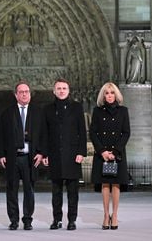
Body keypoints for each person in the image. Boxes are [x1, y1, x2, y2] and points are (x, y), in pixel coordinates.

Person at [42, 78, 87, 230]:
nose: (61, 91)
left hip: (73, 154)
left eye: (64, 88)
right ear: (54, 91)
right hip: (54, 155)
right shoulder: (47, 108)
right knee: (56, 192)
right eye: (59, 88)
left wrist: (81, 152)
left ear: (68, 91)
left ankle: (72, 220)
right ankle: (57, 220)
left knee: (73, 192)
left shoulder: (77, 107)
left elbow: (82, 131)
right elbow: (45, 134)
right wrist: (45, 154)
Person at [0, 81, 43, 230]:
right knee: (12, 190)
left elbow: (44, 135)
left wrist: (42, 153)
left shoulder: (38, 112)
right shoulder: (6, 113)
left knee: (29, 190)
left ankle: (28, 219)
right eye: (21, 92)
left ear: (30, 94)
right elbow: (1, 136)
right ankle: (14, 220)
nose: (24, 94)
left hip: (30, 158)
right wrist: (1, 154)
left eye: (27, 91)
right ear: (16, 94)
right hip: (12, 157)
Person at [89, 82, 130, 230]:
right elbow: (93, 132)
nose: (110, 95)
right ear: (103, 95)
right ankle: (106, 215)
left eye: (112, 92)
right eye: (107, 93)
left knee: (116, 184)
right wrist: (102, 151)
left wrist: (116, 151)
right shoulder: (97, 111)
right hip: (102, 153)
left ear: (116, 94)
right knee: (105, 184)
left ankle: (115, 215)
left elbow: (126, 132)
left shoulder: (123, 111)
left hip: (117, 153)